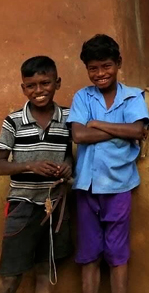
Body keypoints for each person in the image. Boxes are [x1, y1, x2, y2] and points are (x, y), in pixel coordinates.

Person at [67, 35, 149, 293]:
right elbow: (79, 135)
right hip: (87, 187)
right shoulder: (83, 97)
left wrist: (98, 123)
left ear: (118, 63)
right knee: (89, 253)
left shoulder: (133, 97)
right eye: (93, 68)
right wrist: (120, 130)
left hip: (118, 185)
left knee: (117, 253)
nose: (100, 73)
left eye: (106, 66)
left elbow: (137, 131)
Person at [0, 56, 73, 293]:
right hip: (22, 206)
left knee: (45, 270)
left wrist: (67, 165)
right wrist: (30, 166)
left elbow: (70, 154)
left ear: (57, 83)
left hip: (55, 206)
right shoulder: (14, 121)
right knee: (10, 275)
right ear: (23, 88)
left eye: (45, 83)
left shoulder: (69, 118)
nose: (39, 90)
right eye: (31, 86)